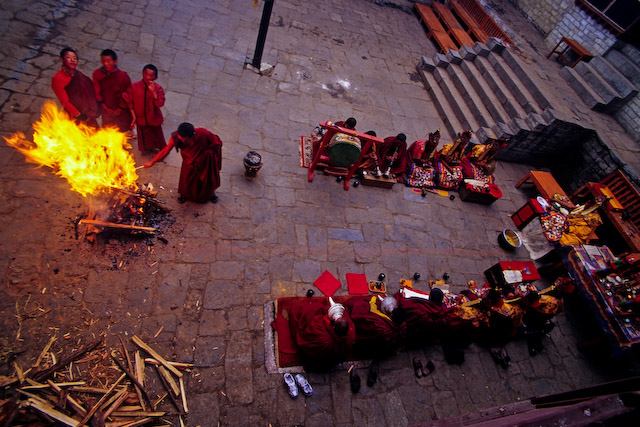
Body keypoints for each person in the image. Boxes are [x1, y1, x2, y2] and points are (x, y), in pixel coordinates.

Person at [143, 123, 223, 204]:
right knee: (187, 179)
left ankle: (210, 193)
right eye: (181, 139)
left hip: (204, 161)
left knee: (207, 178)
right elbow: (165, 150)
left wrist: (208, 155)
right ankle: (185, 194)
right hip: (189, 161)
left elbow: (217, 142)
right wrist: (151, 162)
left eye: (186, 140)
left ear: (192, 135)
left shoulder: (203, 134)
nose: (183, 141)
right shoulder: (175, 138)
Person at [289, 297, 356, 372]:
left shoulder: (322, 336)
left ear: (333, 327)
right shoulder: (350, 334)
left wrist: (326, 319)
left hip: (319, 358)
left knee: (305, 310)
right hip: (333, 358)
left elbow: (313, 323)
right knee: (325, 308)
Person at [51, 47, 100, 127]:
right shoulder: (57, 78)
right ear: (61, 59)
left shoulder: (78, 74)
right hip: (75, 115)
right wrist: (78, 115)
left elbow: (91, 89)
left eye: (74, 58)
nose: (72, 60)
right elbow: (65, 102)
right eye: (69, 58)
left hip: (88, 113)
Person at [124, 64, 166, 153]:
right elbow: (130, 102)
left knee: (156, 135)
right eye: (146, 74)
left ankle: (159, 150)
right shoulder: (134, 86)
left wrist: (153, 92)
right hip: (141, 118)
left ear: (156, 77)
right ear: (143, 73)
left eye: (151, 76)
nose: (148, 78)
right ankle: (146, 150)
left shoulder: (158, 88)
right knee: (143, 136)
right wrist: (134, 117)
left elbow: (160, 103)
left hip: (153, 118)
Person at [92, 49, 133, 133]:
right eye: (103, 61)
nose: (105, 64)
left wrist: (120, 109)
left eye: (108, 61)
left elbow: (128, 93)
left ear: (115, 62)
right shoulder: (97, 74)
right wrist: (104, 106)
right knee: (108, 128)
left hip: (121, 108)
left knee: (122, 129)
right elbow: (97, 91)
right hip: (106, 107)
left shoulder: (123, 76)